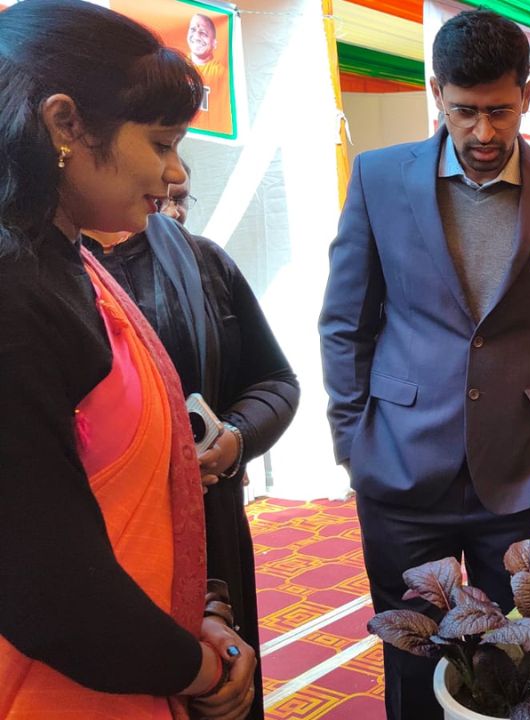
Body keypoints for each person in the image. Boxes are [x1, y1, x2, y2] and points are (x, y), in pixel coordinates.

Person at [318, 9, 530, 720]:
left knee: (514, 657)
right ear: (435, 94)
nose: (483, 133)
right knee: (409, 648)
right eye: (464, 112)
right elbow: (344, 323)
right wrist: (351, 438)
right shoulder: (379, 178)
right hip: (397, 461)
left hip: (524, 468)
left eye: (499, 111)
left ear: (526, 91)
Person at [0, 1, 256, 718]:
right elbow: (48, 589)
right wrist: (197, 667)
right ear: (64, 124)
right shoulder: (15, 296)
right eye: (163, 142)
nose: (176, 173)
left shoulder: (66, 260)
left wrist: (181, 621)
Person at [85, 160, 299, 720]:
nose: (173, 175)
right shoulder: (38, 280)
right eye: (156, 144)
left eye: (183, 194)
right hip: (95, 552)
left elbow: (274, 380)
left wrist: (234, 439)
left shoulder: (204, 264)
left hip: (209, 534)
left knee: (226, 693)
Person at [186, 13, 231, 133]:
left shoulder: (222, 74)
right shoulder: (175, 67)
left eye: (203, 33)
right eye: (193, 29)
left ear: (214, 43)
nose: (196, 36)